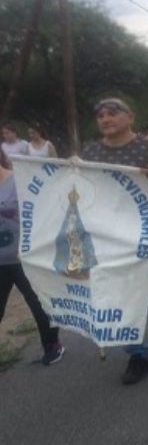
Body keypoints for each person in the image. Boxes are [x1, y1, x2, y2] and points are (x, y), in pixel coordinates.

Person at [82, 98, 148, 384]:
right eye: (100, 115)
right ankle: (137, 354)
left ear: (130, 117)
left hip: (147, 238)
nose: (105, 119)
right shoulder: (91, 152)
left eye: (113, 113)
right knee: (117, 297)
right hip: (108, 239)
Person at [0, 150, 64, 365]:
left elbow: (42, 210)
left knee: (38, 304)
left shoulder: (18, 180)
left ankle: (52, 346)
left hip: (24, 258)